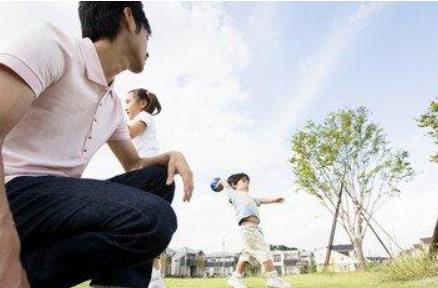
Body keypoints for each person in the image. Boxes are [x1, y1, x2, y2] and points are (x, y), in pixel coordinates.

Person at [0, 2, 193, 288]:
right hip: (16, 192)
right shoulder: (54, 45)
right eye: (147, 36)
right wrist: (7, 257)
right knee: (154, 217)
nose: (148, 48)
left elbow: (134, 165)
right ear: (129, 18)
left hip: (55, 204)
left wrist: (171, 156)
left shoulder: (114, 105)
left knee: (158, 180)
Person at [216, 174, 291, 288]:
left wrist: (274, 200)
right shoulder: (234, 194)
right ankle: (272, 278)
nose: (247, 183)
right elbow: (224, 182)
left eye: (248, 181)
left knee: (246, 256)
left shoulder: (250, 197)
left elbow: (262, 200)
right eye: (244, 181)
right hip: (248, 229)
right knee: (264, 250)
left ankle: (235, 278)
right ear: (234, 185)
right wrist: (219, 184)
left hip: (255, 229)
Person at [125, 88, 166, 288]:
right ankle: (156, 279)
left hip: (147, 172)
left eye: (128, 101)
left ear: (142, 103)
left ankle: (154, 279)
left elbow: (128, 134)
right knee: (147, 225)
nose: (125, 107)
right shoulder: (143, 116)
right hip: (147, 172)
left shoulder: (143, 116)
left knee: (136, 223)